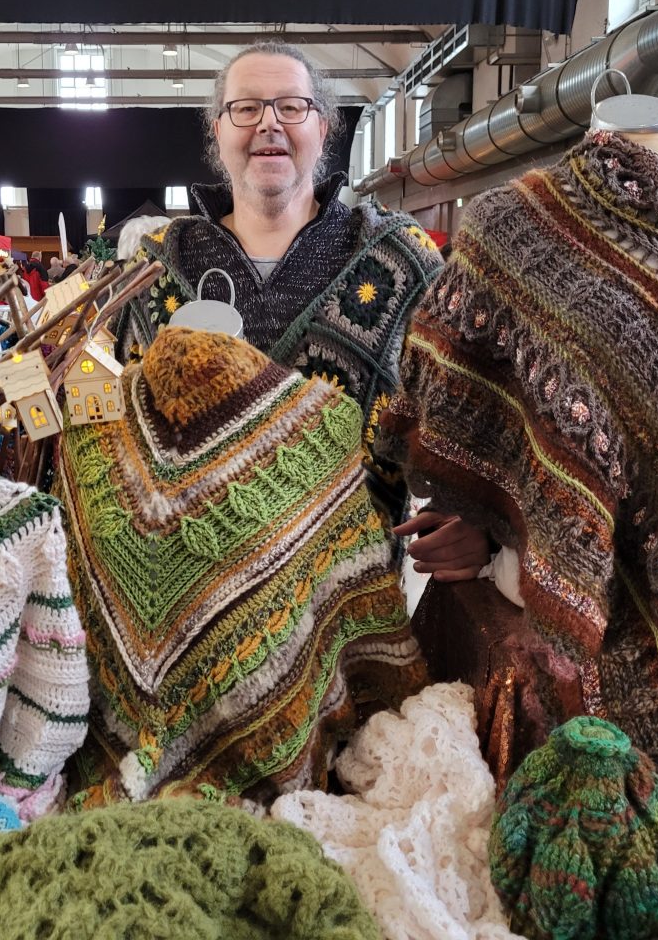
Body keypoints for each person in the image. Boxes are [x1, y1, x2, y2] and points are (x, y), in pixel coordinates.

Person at [117, 40, 491, 575]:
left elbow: (476, 408)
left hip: (349, 604)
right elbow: (113, 438)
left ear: (323, 128)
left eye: (292, 107)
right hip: (191, 601)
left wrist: (481, 526)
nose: (269, 123)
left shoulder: (400, 260)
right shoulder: (156, 270)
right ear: (217, 131)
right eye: (245, 108)